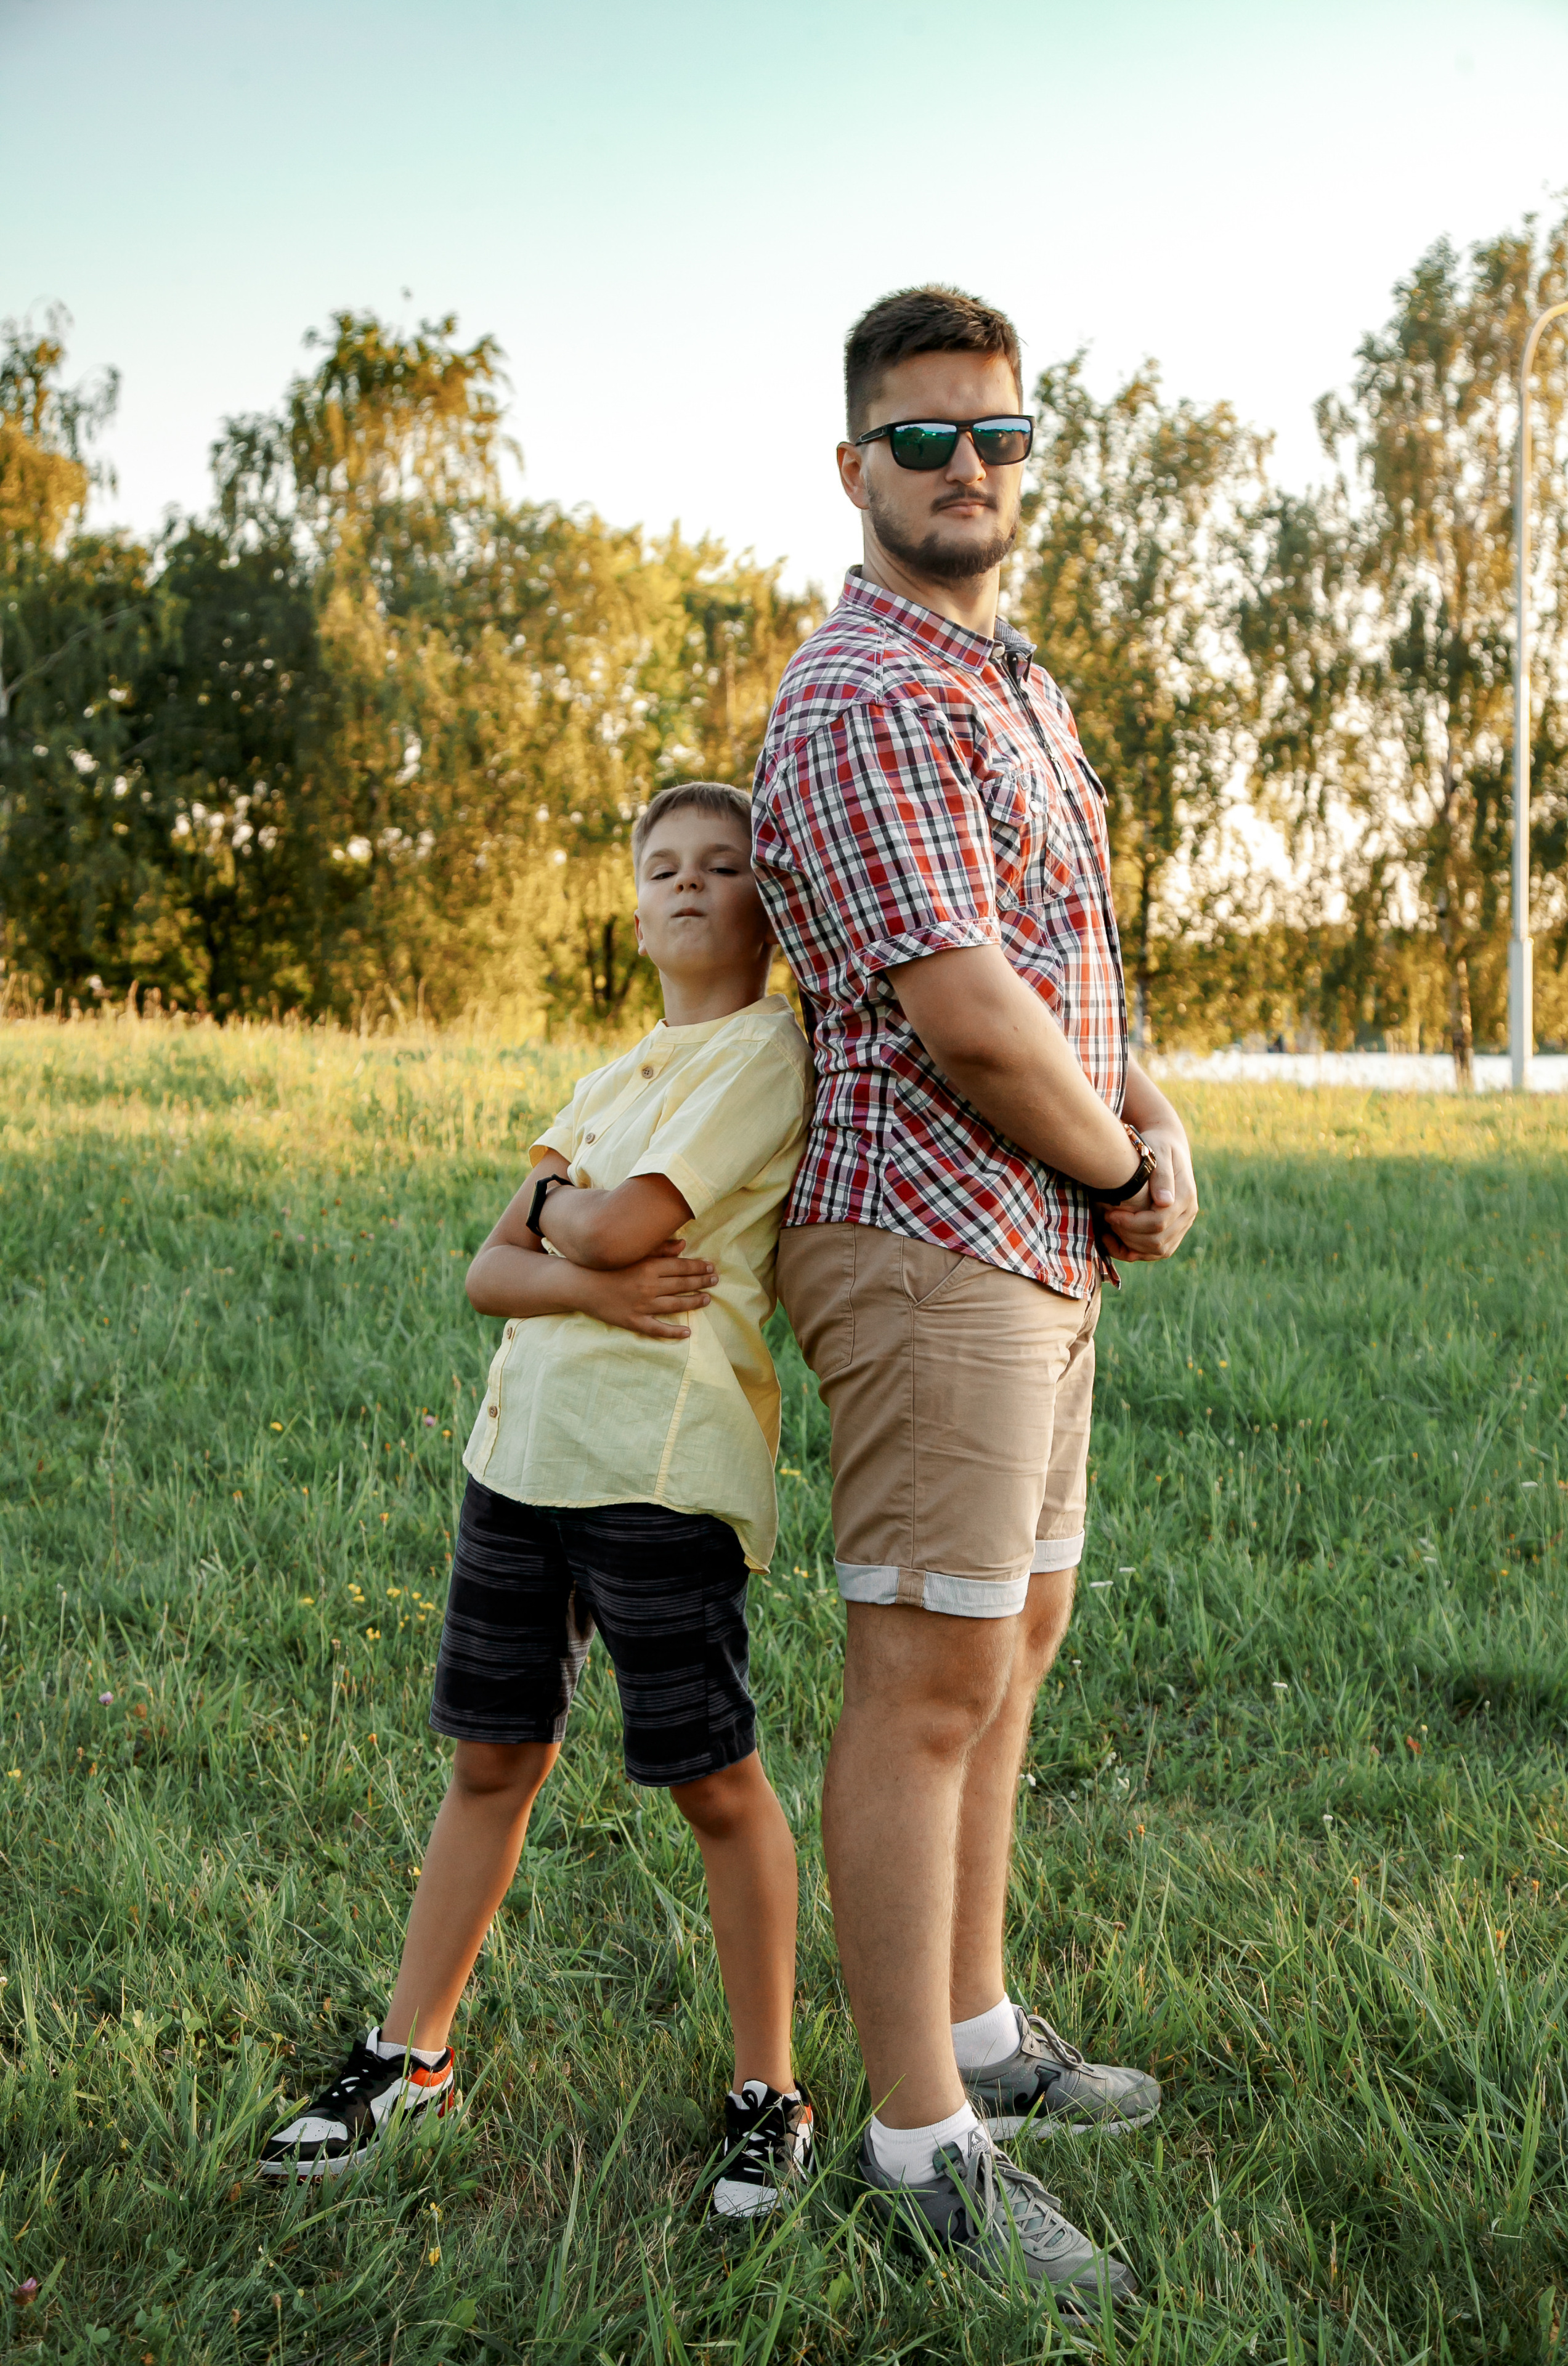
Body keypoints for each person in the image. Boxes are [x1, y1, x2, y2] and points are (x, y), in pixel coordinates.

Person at [752, 286, 1200, 2306]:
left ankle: (989, 2031)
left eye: (998, 436)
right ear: (856, 467)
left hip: (1034, 1232)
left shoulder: (1009, 679)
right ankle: (918, 2134)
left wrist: (1149, 1118)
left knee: (1008, 1654)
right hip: (930, 1233)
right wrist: (1112, 1166)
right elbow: (958, 1009)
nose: (966, 470)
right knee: (924, 1687)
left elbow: (1069, 955)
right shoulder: (866, 694)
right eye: (923, 439)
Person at [259, 783, 816, 2220]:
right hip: (519, 1459)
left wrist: (568, 1225)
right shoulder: (611, 1077)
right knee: (490, 1761)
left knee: (710, 1779)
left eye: (724, 866)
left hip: (658, 1468)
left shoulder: (767, 1049)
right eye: (662, 869)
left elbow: (620, 1222)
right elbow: (487, 1277)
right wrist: (583, 1255)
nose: (690, 887)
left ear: (771, 896)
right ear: (635, 908)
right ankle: (411, 2054)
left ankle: (772, 2091)